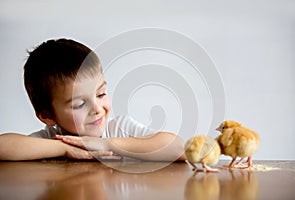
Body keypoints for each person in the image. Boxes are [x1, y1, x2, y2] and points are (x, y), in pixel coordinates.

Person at [0, 38, 186, 161]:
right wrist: (63, 148)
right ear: (47, 116)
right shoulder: (50, 138)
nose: (97, 108)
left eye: (101, 94)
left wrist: (106, 143)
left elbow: (179, 149)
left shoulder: (119, 129)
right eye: (79, 104)